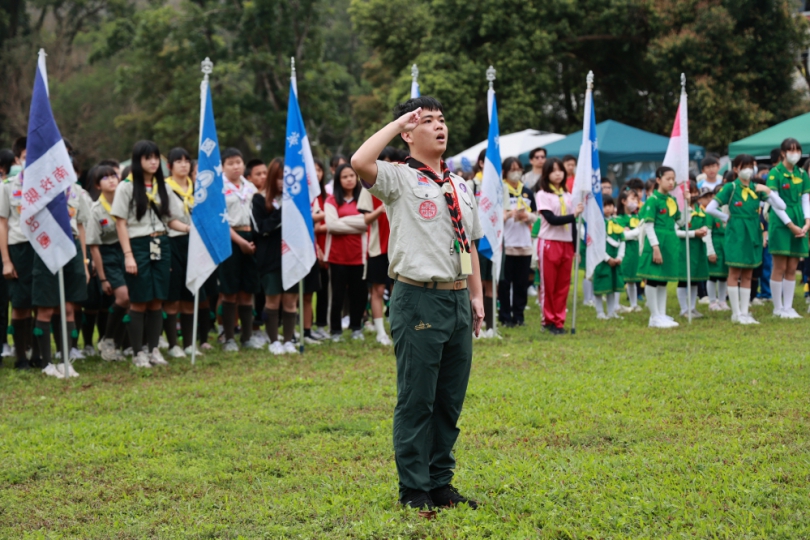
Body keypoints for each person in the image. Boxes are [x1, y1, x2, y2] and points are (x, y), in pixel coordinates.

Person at [352, 96, 484, 516]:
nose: (440, 127)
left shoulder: (459, 184)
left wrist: (476, 295)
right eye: (428, 121)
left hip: (458, 297)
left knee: (449, 399)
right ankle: (414, 487)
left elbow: (471, 244)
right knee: (417, 398)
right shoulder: (398, 179)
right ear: (408, 133)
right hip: (418, 298)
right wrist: (397, 123)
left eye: (442, 120)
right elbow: (359, 161)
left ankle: (440, 482)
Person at [112, 140, 188, 368]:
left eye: (156, 157)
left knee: (157, 300)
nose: (154, 162)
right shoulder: (126, 187)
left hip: (161, 243)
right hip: (138, 245)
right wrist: (128, 255)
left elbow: (171, 219)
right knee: (139, 300)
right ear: (138, 161)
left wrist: (189, 228)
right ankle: (138, 352)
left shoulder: (161, 186)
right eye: (148, 158)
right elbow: (121, 224)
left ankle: (154, 349)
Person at [707, 153, 782, 324]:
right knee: (734, 272)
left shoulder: (757, 188)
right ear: (735, 169)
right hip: (736, 233)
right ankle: (736, 313)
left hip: (753, 232)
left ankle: (745, 311)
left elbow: (781, 206)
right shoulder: (730, 188)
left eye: (751, 165)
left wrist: (768, 191)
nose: (749, 169)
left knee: (748, 272)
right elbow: (710, 208)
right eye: (745, 166)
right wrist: (726, 218)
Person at [218, 148, 263, 351]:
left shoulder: (250, 187)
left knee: (247, 291)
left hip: (250, 237)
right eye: (230, 163)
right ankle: (228, 338)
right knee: (230, 291)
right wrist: (240, 242)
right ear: (223, 166)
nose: (236, 166)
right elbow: (220, 221)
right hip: (230, 239)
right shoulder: (219, 187)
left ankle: (247, 337)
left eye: (239, 162)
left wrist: (250, 241)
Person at [251, 157, 298, 354]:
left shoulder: (295, 200)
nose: (282, 182)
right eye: (279, 178)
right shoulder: (259, 199)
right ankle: (273, 342)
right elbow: (261, 228)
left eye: (286, 178)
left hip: (292, 257)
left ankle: (288, 340)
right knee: (273, 300)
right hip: (270, 258)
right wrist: (283, 212)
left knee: (290, 301)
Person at [637, 166, 691, 328]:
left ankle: (661, 313)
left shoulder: (672, 201)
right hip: (657, 243)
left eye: (673, 179)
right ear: (658, 180)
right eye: (668, 178)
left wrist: (688, 204)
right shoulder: (653, 200)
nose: (671, 182)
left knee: (663, 279)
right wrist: (655, 247)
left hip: (670, 242)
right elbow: (648, 225)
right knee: (653, 279)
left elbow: (681, 222)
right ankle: (654, 316)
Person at [536, 157, 583, 334]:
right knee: (549, 284)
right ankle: (547, 320)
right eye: (554, 170)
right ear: (547, 174)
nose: (558, 173)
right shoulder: (543, 195)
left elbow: (573, 224)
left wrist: (575, 246)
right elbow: (552, 219)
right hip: (549, 243)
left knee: (563, 284)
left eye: (560, 170)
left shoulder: (568, 195)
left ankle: (559, 320)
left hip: (566, 244)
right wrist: (574, 215)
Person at [87, 165, 129, 361]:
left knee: (131, 301)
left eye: (114, 176)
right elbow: (94, 246)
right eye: (105, 178)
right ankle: (108, 339)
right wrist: (103, 279)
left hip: (127, 251)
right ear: (97, 185)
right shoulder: (95, 210)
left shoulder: (128, 202)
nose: (112, 180)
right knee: (123, 297)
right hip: (108, 254)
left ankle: (117, 344)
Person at [765, 138, 810, 319]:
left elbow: (805, 199)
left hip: (799, 220)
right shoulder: (775, 173)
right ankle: (778, 308)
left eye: (798, 150)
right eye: (791, 150)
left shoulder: (802, 173)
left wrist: (807, 221)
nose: (795, 154)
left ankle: (789, 307)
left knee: (792, 266)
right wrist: (790, 225)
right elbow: (774, 203)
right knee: (780, 265)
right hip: (781, 222)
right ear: (783, 153)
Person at [324, 163, 368, 342]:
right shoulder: (331, 200)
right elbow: (332, 226)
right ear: (338, 180)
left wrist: (344, 220)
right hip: (337, 256)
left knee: (359, 294)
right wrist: (358, 220)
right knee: (337, 295)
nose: (349, 179)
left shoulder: (364, 199)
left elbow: (368, 223)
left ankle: (357, 327)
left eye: (352, 175)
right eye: (344, 176)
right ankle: (335, 331)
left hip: (360, 256)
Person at [162, 147, 199, 357]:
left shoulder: (196, 187)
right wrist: (187, 228)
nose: (184, 164)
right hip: (174, 241)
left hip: (194, 245)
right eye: (179, 161)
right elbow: (167, 218)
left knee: (190, 294)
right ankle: (173, 345)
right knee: (173, 297)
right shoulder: (165, 188)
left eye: (186, 161)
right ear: (170, 166)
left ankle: (189, 344)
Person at [499, 156, 536, 326]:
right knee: (505, 283)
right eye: (512, 169)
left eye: (518, 169)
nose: (516, 172)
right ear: (505, 172)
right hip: (506, 244)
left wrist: (527, 216)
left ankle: (519, 316)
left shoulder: (527, 191)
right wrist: (507, 215)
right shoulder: (500, 190)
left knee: (522, 283)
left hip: (524, 244)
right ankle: (505, 316)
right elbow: (492, 216)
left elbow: (536, 215)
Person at [360, 162, 393, 345]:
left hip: (399, 247)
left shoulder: (400, 183)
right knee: (378, 290)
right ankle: (380, 331)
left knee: (399, 290)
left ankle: (398, 327)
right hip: (377, 248)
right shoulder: (368, 186)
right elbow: (365, 219)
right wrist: (380, 210)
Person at [675, 181, 711, 319]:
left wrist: (703, 230)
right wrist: (693, 233)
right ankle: (684, 309)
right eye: (691, 192)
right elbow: (676, 231)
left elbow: (707, 226)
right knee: (684, 279)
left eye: (695, 192)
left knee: (695, 278)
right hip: (684, 248)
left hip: (698, 248)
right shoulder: (681, 211)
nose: (693, 195)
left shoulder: (700, 211)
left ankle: (692, 308)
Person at [592, 196, 625, 319]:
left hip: (615, 259)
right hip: (602, 260)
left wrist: (620, 256)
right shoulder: (597, 223)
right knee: (601, 286)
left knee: (612, 286)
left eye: (610, 205)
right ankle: (600, 311)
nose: (608, 208)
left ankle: (611, 312)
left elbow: (622, 239)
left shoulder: (616, 222)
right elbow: (596, 243)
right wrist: (607, 258)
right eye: (605, 205)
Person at [702, 187, 729, 311]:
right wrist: (710, 251)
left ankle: (722, 301)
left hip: (725, 245)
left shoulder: (726, 211)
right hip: (715, 244)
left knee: (724, 275)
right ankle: (712, 301)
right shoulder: (710, 212)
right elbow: (708, 232)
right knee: (713, 276)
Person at [616, 189, 643, 311]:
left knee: (632, 279)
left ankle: (634, 304)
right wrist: (637, 231)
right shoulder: (619, 218)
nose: (635, 202)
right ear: (623, 201)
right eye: (632, 199)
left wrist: (632, 232)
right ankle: (615, 305)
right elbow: (623, 235)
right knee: (621, 278)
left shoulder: (637, 217)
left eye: (637, 199)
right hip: (624, 252)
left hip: (635, 251)